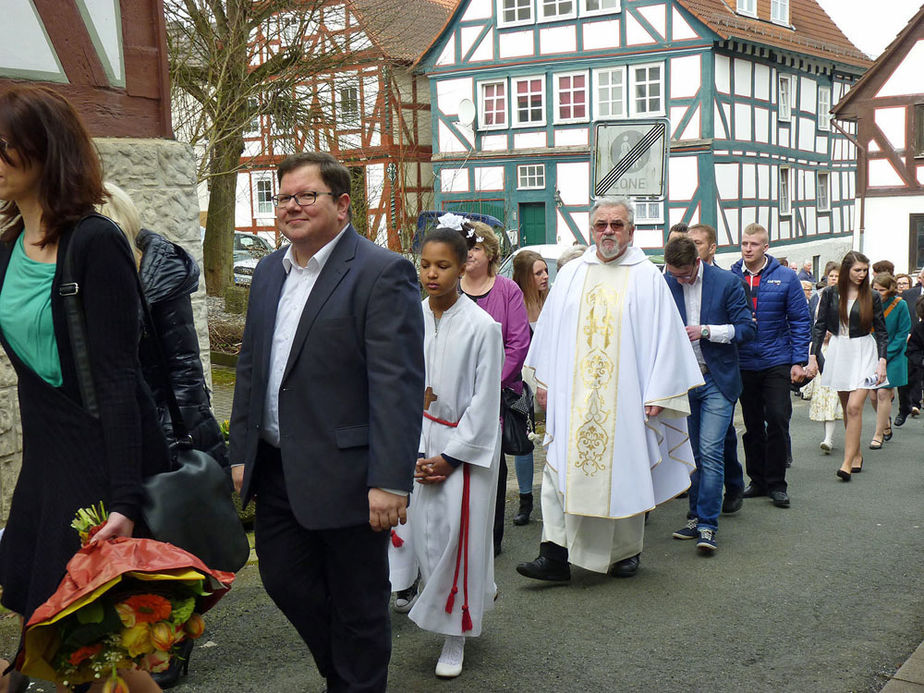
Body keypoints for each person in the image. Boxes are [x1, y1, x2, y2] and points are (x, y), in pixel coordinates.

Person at [228, 151, 425, 692]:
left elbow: (397, 385)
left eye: (305, 196)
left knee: (359, 601)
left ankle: (356, 682)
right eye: (284, 197)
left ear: (341, 204)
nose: (291, 206)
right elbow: (251, 366)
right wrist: (241, 451)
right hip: (276, 467)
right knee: (284, 581)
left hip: (350, 473)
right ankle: (345, 673)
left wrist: (389, 480)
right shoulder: (271, 270)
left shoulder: (382, 272)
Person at [0, 85, 168, 692]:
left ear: (45, 152)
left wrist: (125, 500)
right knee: (48, 612)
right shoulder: (8, 248)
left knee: (88, 637)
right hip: (45, 459)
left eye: (1, 149)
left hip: (96, 464)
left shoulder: (95, 244)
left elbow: (122, 380)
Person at [516, 197, 702, 582]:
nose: (608, 232)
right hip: (572, 398)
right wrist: (545, 381)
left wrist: (659, 392)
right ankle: (554, 554)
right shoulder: (570, 275)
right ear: (591, 230)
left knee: (626, 470)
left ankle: (625, 553)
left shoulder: (647, 277)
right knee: (558, 470)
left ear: (631, 232)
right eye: (601, 224)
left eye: (617, 225)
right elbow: (552, 332)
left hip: (625, 397)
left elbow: (665, 339)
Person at [98, 183, 228, 688]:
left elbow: (183, 366)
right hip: (109, 426)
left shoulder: (157, 274)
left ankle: (169, 641)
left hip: (160, 428)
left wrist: (194, 441)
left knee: (163, 542)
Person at [407, 226, 503, 679]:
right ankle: (471, 585)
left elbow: (486, 400)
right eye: (425, 264)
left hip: (462, 444)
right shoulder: (411, 317)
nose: (431, 273)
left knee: (457, 535)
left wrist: (452, 456)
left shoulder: (483, 327)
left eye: (443, 265)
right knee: (419, 529)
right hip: (416, 435)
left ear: (464, 266)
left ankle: (455, 632)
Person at [663, 237, 755, 553]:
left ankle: (707, 526)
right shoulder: (665, 283)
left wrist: (705, 331)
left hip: (718, 379)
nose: (680, 280)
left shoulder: (727, 282)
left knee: (711, 450)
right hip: (684, 382)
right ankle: (696, 516)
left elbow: (746, 330)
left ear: (697, 263)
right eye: (674, 274)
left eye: (685, 274)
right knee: (695, 455)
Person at [459, 222, 530, 556]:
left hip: (496, 395)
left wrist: (490, 385)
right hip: (452, 394)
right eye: (464, 247)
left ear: (489, 253)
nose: (469, 253)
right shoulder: (448, 288)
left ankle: (491, 537)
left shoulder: (507, 290)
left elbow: (518, 343)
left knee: (491, 465)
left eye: (475, 247)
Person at [730, 223, 811, 508]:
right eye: (744, 243)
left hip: (777, 359)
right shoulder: (731, 276)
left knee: (777, 418)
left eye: (753, 244)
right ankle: (758, 480)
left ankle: (777, 483)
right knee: (752, 424)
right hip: (744, 361)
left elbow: (801, 320)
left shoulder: (786, 277)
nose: (748, 249)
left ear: (766, 246)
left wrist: (799, 360)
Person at [806, 252, 888, 481]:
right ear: (847, 271)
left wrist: (882, 361)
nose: (862, 275)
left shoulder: (872, 296)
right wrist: (813, 356)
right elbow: (820, 325)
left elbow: (881, 331)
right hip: (839, 351)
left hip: (865, 351)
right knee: (846, 407)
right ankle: (857, 454)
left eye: (865, 270)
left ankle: (846, 463)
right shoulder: (830, 294)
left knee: (854, 407)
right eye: (857, 270)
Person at [509, 250, 549, 526]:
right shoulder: (515, 305)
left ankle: (556, 496)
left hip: (549, 382)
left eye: (546, 271)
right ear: (525, 277)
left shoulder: (553, 302)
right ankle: (525, 500)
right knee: (525, 441)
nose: (546, 276)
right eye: (538, 272)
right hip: (520, 384)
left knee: (551, 438)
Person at [868, 273, 911, 449]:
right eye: (875, 289)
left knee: (883, 392)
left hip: (894, 353)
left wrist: (886, 354)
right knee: (872, 395)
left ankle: (878, 435)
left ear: (890, 289)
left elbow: (902, 333)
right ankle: (885, 422)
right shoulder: (868, 303)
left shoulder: (900, 305)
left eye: (882, 290)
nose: (878, 293)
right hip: (871, 352)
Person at [806, 264, 843, 453]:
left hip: (837, 347)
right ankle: (827, 435)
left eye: (837, 276)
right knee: (822, 392)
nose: (834, 279)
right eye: (831, 276)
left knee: (833, 393)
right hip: (819, 347)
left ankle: (829, 438)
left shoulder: (843, 297)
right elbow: (811, 322)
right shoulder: (816, 298)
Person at [896, 267, 924, 425]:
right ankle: (906, 406)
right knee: (908, 378)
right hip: (913, 339)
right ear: (920, 278)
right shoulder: (909, 295)